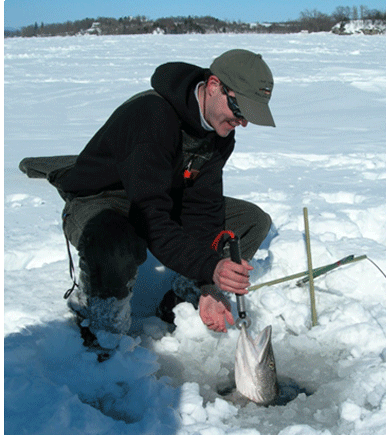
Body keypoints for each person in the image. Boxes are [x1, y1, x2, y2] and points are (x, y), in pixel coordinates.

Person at [49, 49, 275, 343]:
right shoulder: (151, 118)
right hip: (103, 199)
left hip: (161, 196)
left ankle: (182, 298)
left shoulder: (218, 130)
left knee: (250, 221)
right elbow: (150, 215)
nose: (242, 122)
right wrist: (210, 265)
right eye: (240, 110)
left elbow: (203, 208)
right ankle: (102, 327)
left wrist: (207, 282)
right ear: (214, 86)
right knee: (115, 246)